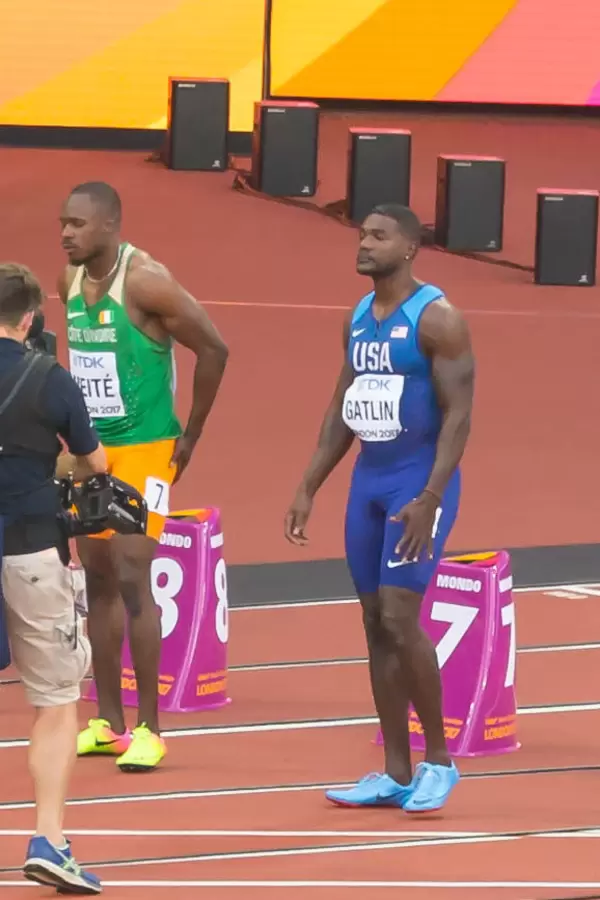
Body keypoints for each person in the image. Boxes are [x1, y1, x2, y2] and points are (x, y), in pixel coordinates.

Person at [284, 204, 475, 813]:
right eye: (362, 234)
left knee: (399, 617)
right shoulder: (358, 318)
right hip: (368, 483)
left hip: (415, 484)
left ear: (411, 248)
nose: (363, 244)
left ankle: (439, 761)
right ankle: (395, 770)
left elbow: (460, 416)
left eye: (378, 236)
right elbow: (345, 405)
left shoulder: (438, 320)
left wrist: (430, 496)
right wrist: (309, 484)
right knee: (372, 622)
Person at [57, 181, 229, 772]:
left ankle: (151, 728)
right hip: (93, 451)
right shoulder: (69, 283)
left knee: (133, 574)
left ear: (109, 225)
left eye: (77, 224)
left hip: (149, 447)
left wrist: (192, 435)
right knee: (96, 577)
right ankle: (107, 722)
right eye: (63, 223)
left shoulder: (147, 281)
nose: (66, 234)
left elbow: (214, 348)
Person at [0, 262, 106, 892]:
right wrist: (50, 462)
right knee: (57, 701)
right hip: (34, 550)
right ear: (33, 318)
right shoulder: (50, 379)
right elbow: (92, 460)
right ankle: (49, 839)